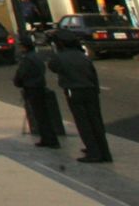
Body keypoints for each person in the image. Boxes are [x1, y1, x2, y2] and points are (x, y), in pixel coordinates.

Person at [50, 35, 112, 163]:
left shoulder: (59, 57)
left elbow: (53, 67)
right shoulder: (83, 56)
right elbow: (93, 75)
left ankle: (93, 152)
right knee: (95, 121)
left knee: (83, 122)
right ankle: (104, 151)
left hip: (74, 91)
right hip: (90, 90)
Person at [13, 35, 59, 148]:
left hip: (32, 88)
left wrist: (18, 82)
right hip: (39, 86)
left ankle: (49, 139)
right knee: (43, 115)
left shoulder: (27, 59)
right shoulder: (36, 57)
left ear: (24, 47)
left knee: (40, 116)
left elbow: (21, 74)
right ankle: (48, 138)